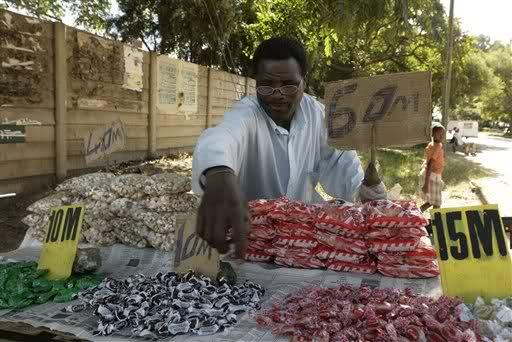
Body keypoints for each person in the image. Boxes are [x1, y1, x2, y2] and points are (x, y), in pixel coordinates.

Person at [192, 37, 386, 257]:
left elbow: (343, 167)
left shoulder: (319, 117)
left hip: (304, 245)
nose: (277, 94)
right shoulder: (247, 114)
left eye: (288, 84)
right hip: (251, 243)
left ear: (304, 80)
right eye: (266, 85)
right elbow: (222, 136)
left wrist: (366, 191)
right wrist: (219, 173)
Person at [419, 122, 446, 212]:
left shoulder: (432, 144)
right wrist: (426, 184)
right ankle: (436, 220)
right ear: (433, 134)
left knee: (432, 201)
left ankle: (419, 211)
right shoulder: (437, 146)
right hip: (432, 176)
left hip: (434, 175)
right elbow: (430, 164)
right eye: (439, 133)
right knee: (437, 203)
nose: (442, 136)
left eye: (443, 134)